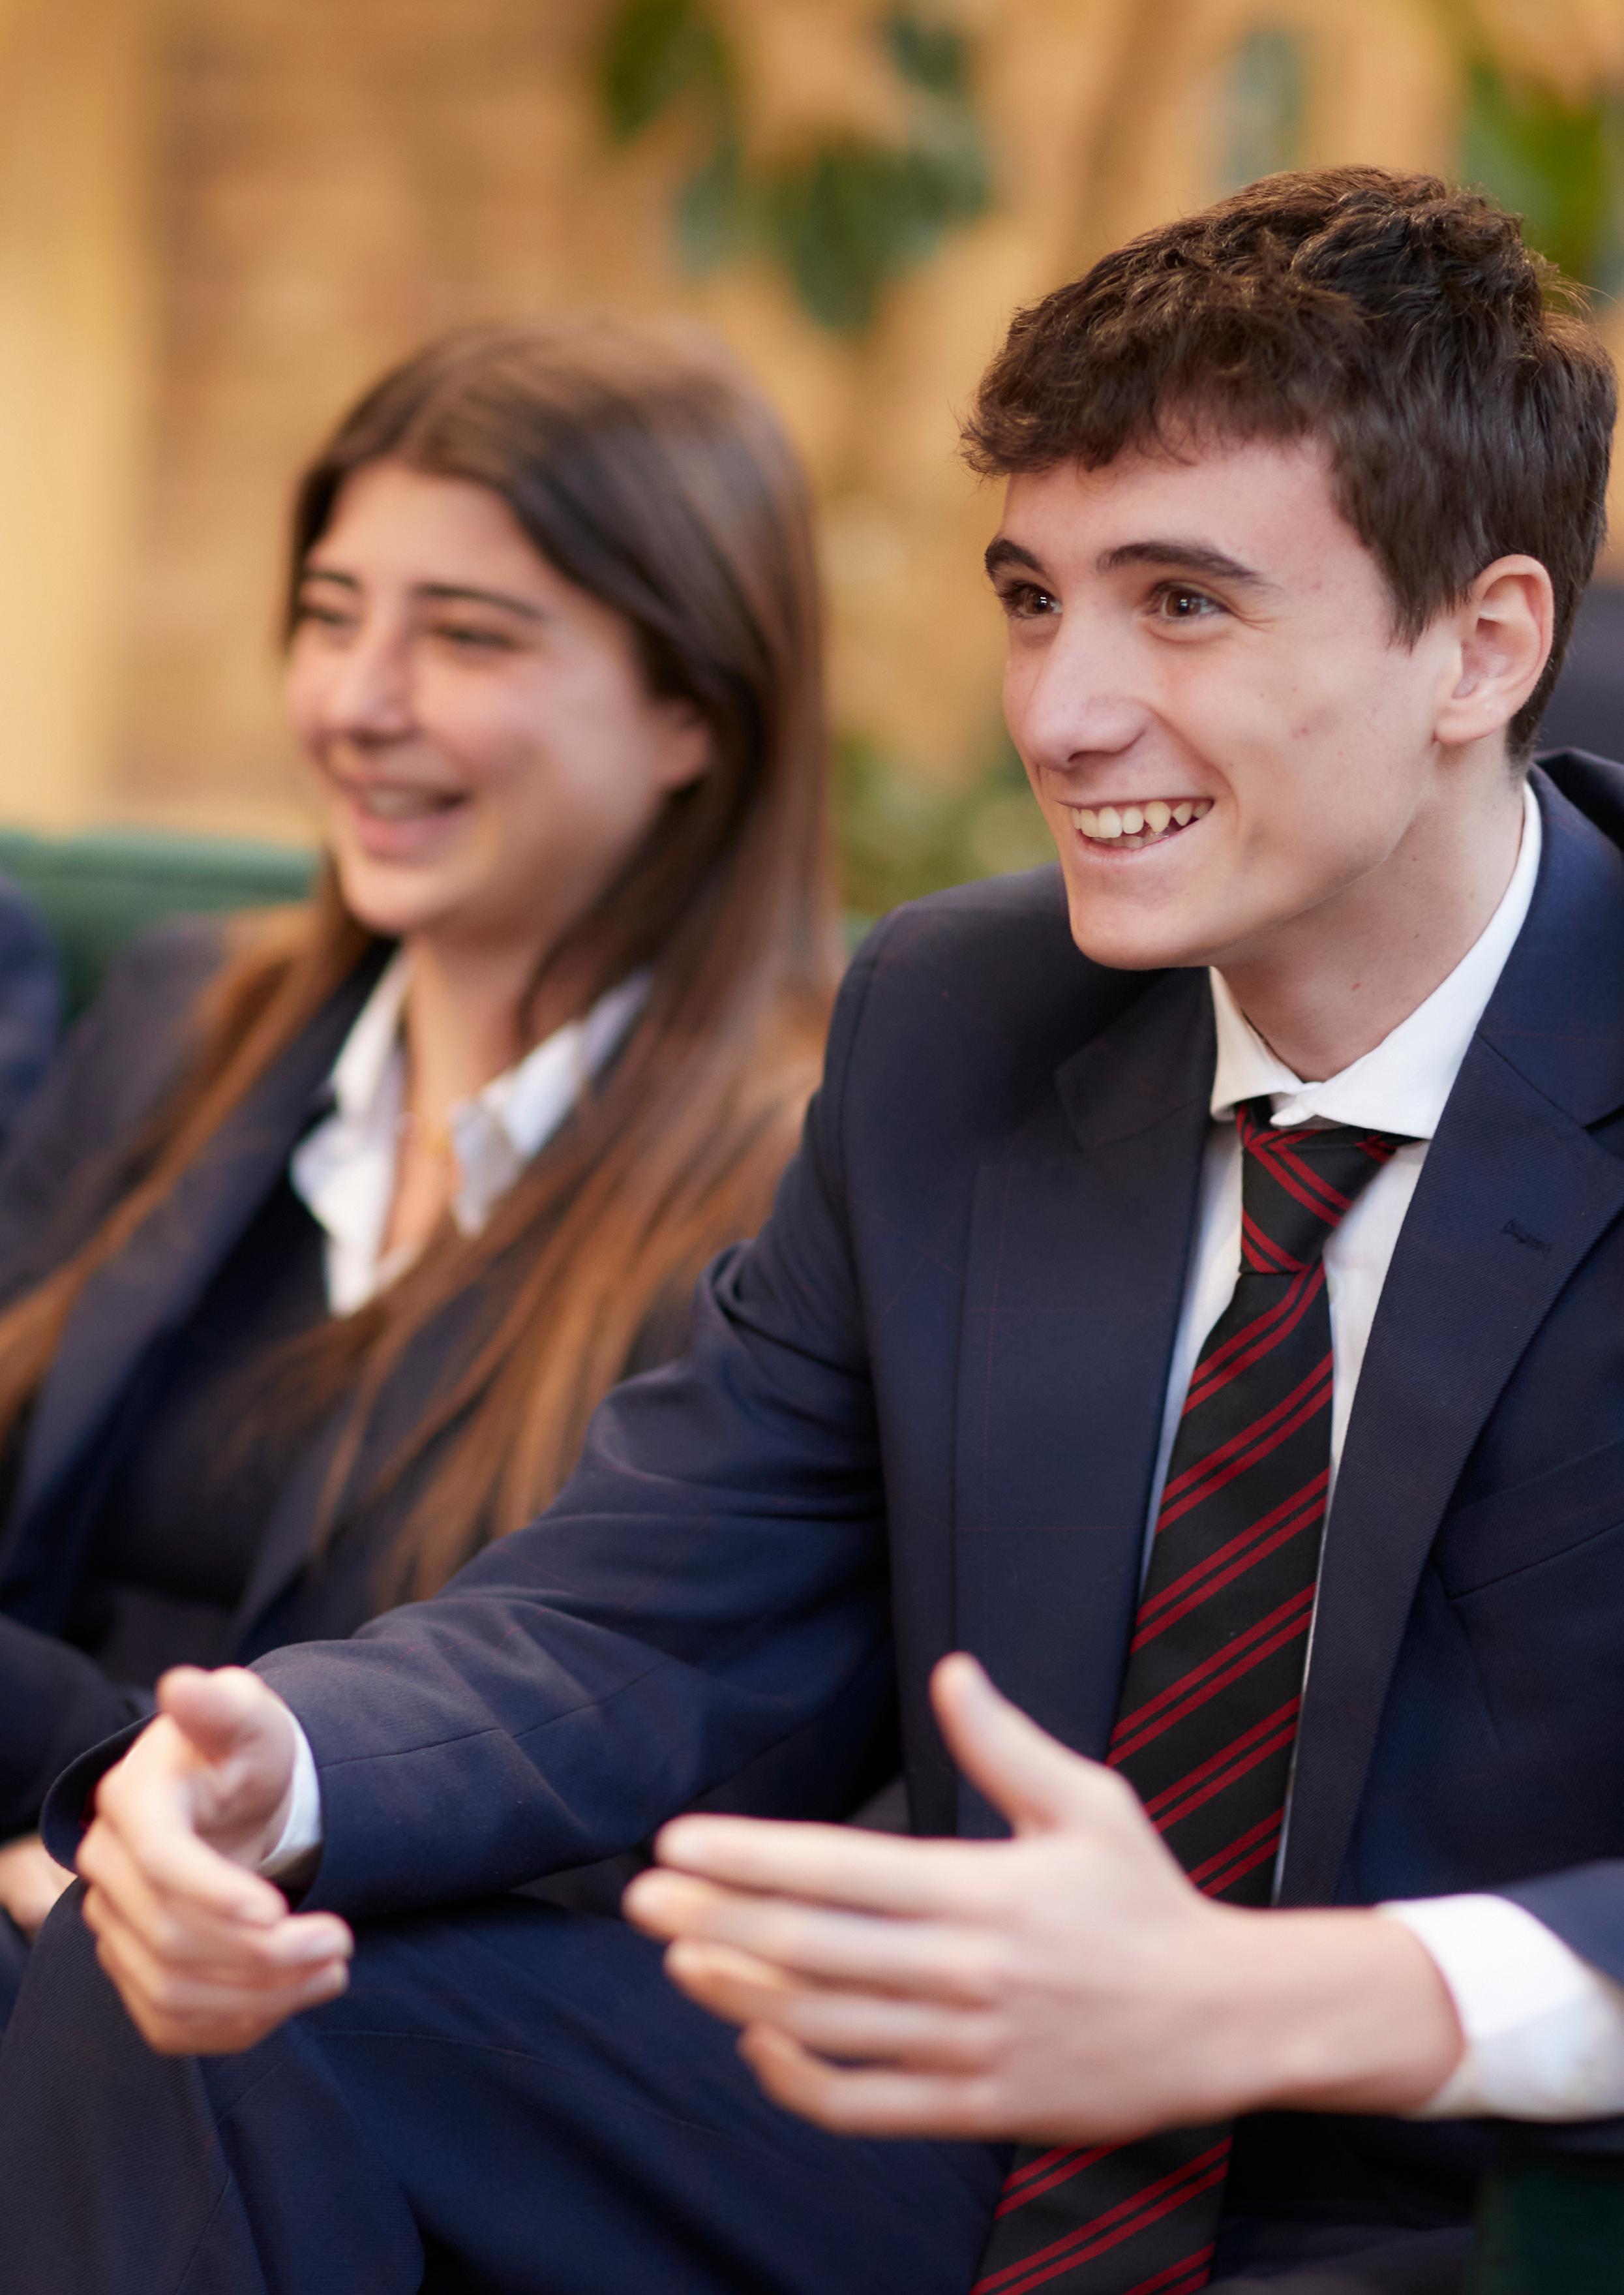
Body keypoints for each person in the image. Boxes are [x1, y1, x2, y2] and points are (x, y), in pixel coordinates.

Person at [3, 164, 1621, 2295]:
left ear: (1482, 646)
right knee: (198, 1997)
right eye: (1032, 599)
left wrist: (1308, 1998)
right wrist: (268, 1775)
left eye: (1181, 604)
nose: (1058, 715)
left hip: (1483, 2196)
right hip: (964, 2147)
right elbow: (655, 1616)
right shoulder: (963, 1020)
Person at [0, 318, 839, 2016]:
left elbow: (651, 1793)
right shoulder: (186, 1022)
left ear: (695, 712)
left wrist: (91, 1874)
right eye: (331, 617)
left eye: (467, 636)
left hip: (345, 2034)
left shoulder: (806, 1180)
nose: (357, 704)